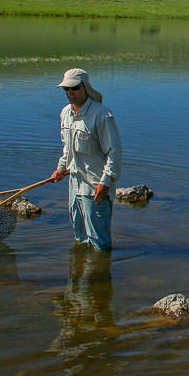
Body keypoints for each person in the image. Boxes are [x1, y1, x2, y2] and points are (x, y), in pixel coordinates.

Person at [50, 68, 122, 251]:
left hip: (95, 185)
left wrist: (105, 182)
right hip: (74, 183)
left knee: (99, 241)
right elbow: (67, 148)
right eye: (65, 89)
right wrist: (60, 168)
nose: (69, 93)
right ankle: (79, 272)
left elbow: (114, 152)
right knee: (79, 236)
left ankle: (101, 273)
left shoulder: (102, 115)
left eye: (74, 88)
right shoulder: (65, 113)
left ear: (85, 88)